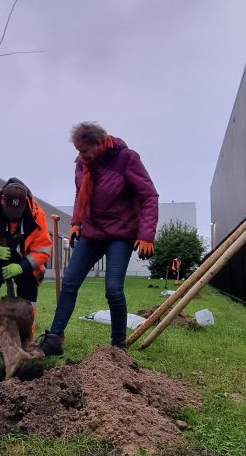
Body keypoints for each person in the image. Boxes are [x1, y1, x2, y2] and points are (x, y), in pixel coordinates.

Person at [38, 122, 158, 355]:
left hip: (120, 233)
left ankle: (118, 346)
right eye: (77, 150)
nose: (80, 155)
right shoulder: (82, 165)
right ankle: (54, 338)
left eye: (84, 150)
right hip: (92, 232)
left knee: (113, 289)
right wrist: (75, 223)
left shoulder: (126, 159)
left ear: (99, 143)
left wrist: (146, 235)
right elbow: (79, 194)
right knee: (70, 282)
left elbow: (149, 196)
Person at [0, 178, 53, 333]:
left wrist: (21, 267)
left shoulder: (37, 215)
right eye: (10, 214)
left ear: (25, 204)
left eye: (17, 214)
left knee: (29, 286)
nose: (13, 218)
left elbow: (43, 250)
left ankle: (25, 333)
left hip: (22, 258)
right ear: (3, 202)